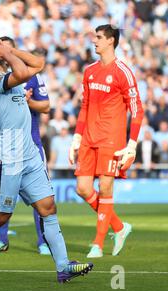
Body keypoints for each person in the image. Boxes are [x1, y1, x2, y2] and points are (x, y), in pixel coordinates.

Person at [0, 39, 93, 283]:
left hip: (28, 152)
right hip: (8, 158)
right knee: (0, 217)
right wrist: (7, 53)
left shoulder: (8, 73)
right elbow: (21, 71)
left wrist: (10, 51)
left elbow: (38, 64)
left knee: (48, 207)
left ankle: (63, 266)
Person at [69, 25, 144, 258]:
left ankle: (98, 244)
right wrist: (76, 137)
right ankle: (119, 227)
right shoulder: (89, 71)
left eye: (99, 38)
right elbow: (84, 106)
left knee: (105, 187)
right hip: (88, 138)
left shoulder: (123, 71)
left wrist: (131, 145)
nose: (94, 41)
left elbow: (137, 109)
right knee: (82, 188)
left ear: (111, 41)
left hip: (111, 140)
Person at [0, 36, 52, 256]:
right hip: (7, 145)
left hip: (32, 142)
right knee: (3, 196)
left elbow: (46, 106)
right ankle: (1, 240)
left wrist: (27, 100)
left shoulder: (31, 75)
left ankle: (42, 241)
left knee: (40, 198)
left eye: (2, 48)